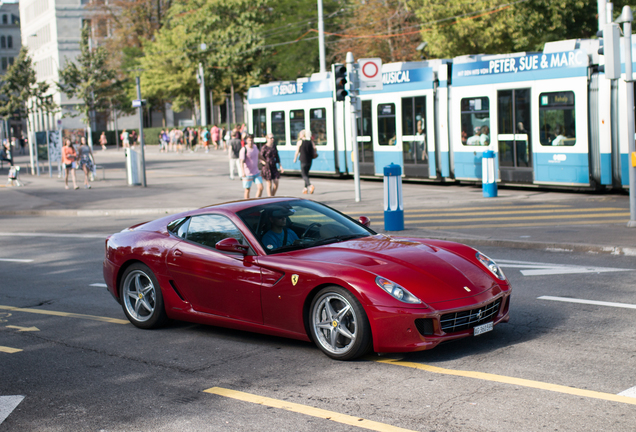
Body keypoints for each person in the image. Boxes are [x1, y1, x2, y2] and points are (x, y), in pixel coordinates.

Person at [238, 134, 263, 199]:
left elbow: (259, 155)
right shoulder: (244, 149)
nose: (250, 142)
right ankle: (247, 203)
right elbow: (241, 162)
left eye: (252, 140)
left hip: (256, 172)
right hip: (248, 173)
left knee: (260, 187)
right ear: (246, 141)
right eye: (249, 140)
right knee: (247, 190)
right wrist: (243, 172)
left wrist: (264, 160)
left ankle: (256, 201)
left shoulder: (255, 147)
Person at [293, 129, 315, 194]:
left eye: (300, 134)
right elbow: (314, 149)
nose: (299, 135)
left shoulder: (300, 142)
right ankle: (305, 189)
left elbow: (297, 152)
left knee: (304, 174)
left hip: (303, 160)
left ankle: (310, 185)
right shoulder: (310, 142)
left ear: (302, 135)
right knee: (306, 174)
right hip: (309, 160)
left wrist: (295, 159)